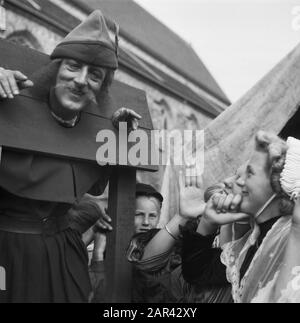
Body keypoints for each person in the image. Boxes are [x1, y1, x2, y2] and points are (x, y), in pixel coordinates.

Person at [0, 10, 140, 303]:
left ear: (102, 89)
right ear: (55, 70)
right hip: (6, 250)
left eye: (95, 76)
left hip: (63, 254)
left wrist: (117, 138)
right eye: (73, 67)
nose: (81, 80)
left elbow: (93, 189)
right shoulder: (10, 108)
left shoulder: (97, 131)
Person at [181, 131, 299, 303]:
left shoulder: (290, 238)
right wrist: (207, 222)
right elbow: (197, 272)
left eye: (249, 173)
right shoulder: (253, 240)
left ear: (279, 185)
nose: (235, 181)